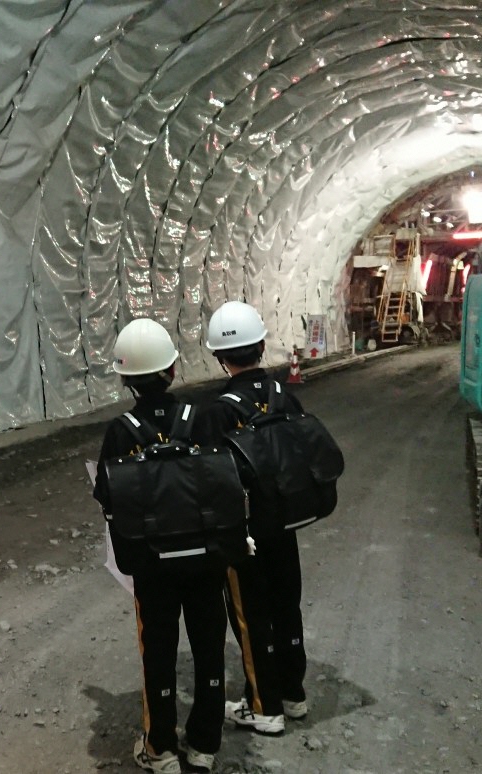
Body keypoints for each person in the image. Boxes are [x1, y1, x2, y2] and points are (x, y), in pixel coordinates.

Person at [92, 319, 228, 774]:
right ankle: (205, 744)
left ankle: (161, 748)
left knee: (160, 650)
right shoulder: (200, 418)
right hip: (205, 557)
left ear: (126, 379)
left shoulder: (120, 431)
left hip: (152, 563)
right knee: (209, 645)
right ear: (172, 371)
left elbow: (108, 496)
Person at [195, 300, 309, 735]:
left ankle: (263, 706)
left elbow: (207, 477)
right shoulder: (284, 394)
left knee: (251, 615)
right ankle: (293, 693)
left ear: (219, 356)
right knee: (287, 605)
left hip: (244, 533)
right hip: (285, 522)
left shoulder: (218, 410)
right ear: (261, 345)